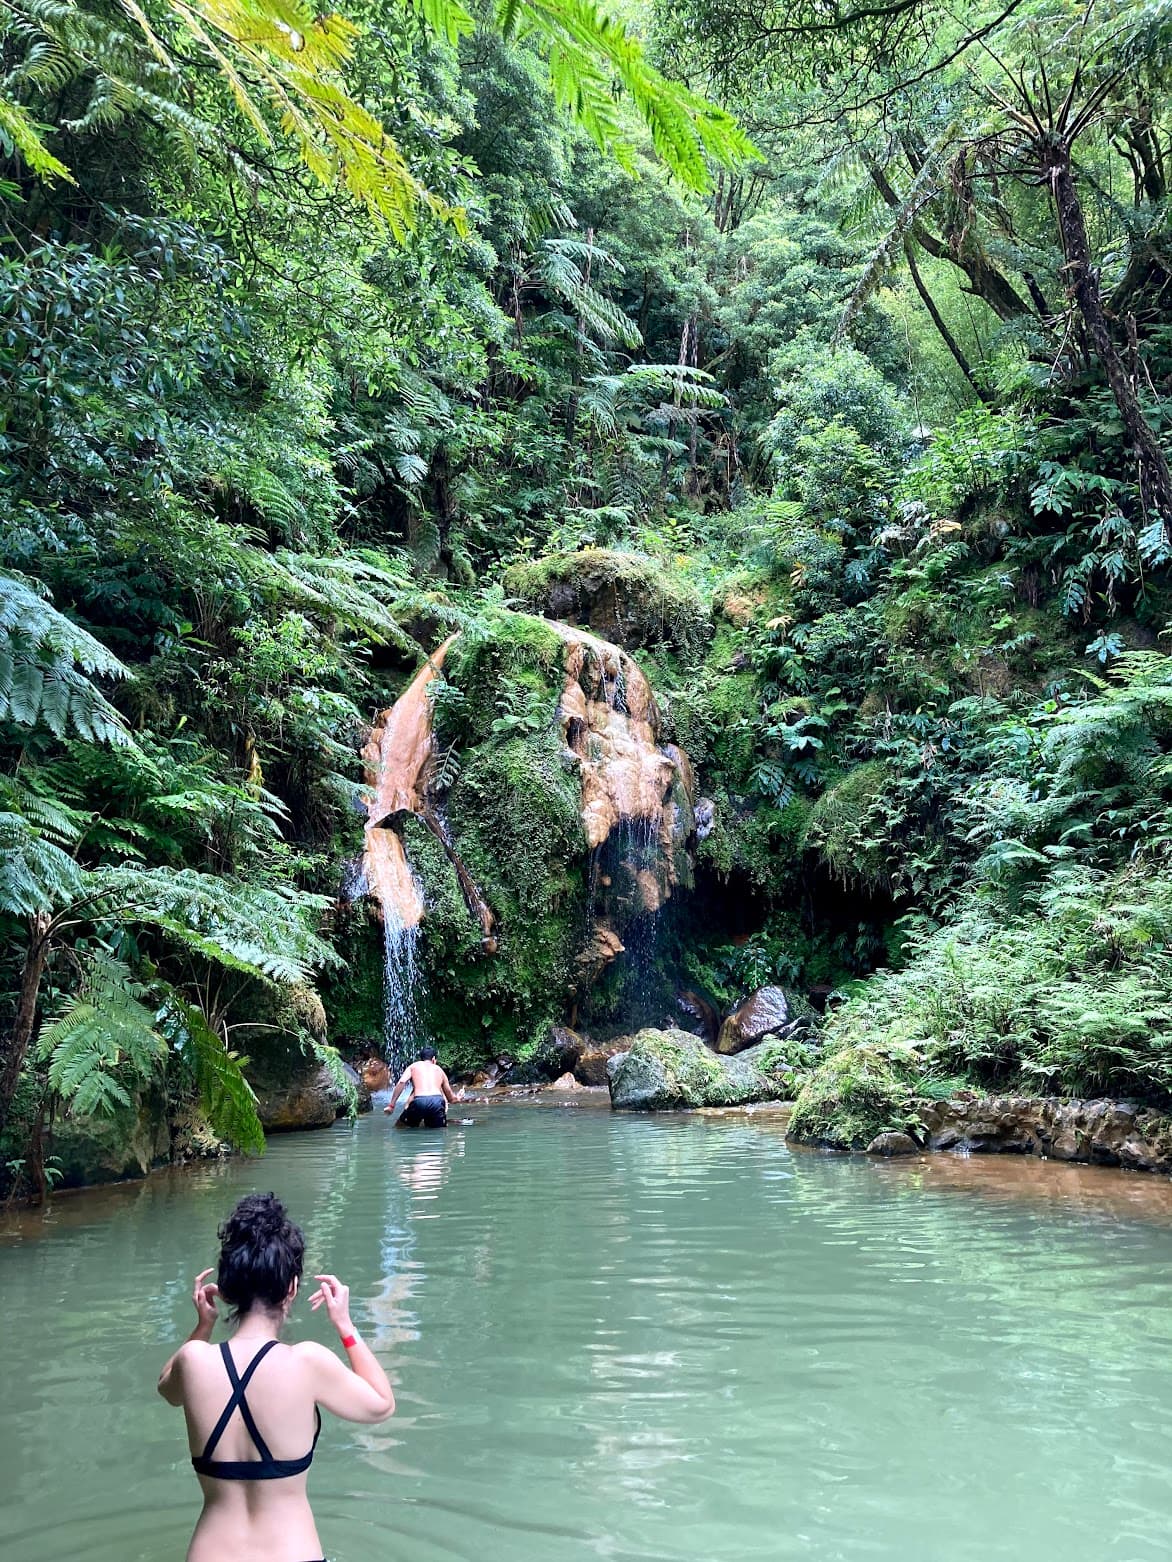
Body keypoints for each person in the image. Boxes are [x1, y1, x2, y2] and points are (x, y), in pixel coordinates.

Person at [158, 1192, 395, 1562]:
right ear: (292, 1288)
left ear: (228, 1291)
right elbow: (381, 1405)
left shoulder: (193, 1361)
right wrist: (345, 1325)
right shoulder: (307, 1363)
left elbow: (168, 1390)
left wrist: (203, 1326)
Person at [384, 1045, 463, 1128]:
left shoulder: (413, 1066)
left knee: (400, 1127)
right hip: (437, 1102)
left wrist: (391, 1105)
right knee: (438, 1131)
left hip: (419, 1101)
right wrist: (458, 1097)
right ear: (433, 1059)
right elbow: (451, 1099)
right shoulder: (439, 1070)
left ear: (421, 1058)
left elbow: (402, 1082)